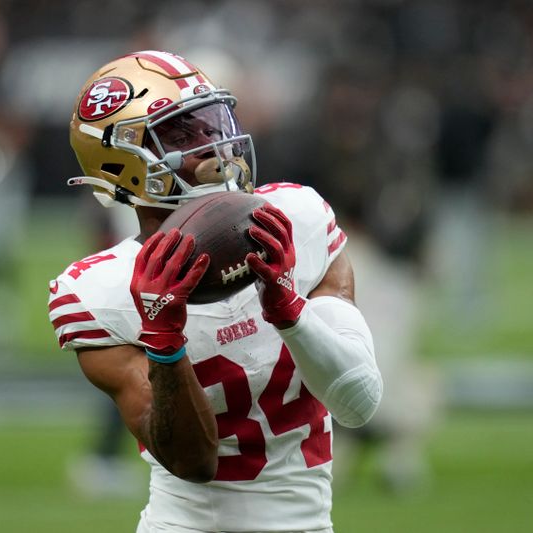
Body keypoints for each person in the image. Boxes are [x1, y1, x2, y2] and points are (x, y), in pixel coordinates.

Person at [48, 50, 383, 532]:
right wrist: (164, 342)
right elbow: (194, 462)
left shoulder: (296, 217)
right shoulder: (98, 291)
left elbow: (358, 402)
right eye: (183, 134)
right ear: (122, 162)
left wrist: (291, 312)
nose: (215, 144)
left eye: (213, 123)